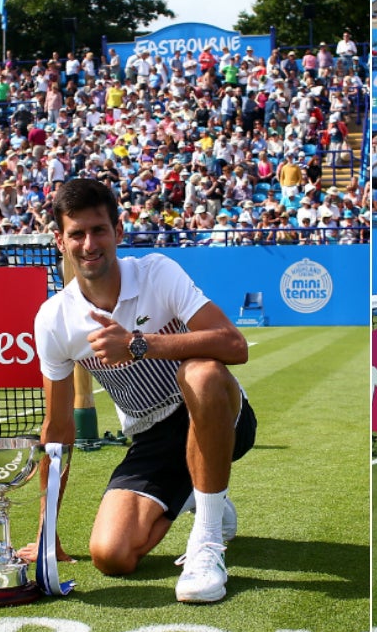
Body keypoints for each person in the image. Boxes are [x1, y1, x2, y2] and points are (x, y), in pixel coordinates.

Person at [24, 178, 256, 603]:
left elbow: (233, 344)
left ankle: (205, 542)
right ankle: (201, 496)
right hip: (150, 436)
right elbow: (57, 431)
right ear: (60, 240)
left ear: (118, 233)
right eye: (77, 233)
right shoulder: (53, 319)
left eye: (99, 230)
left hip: (220, 415)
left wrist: (138, 344)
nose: (89, 244)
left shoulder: (157, 272)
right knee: (111, 555)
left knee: (201, 374)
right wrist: (45, 532)